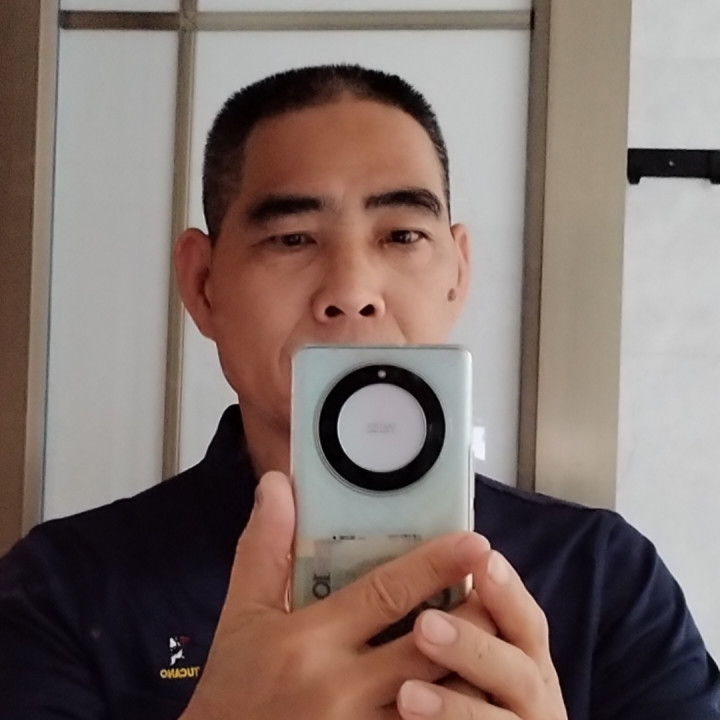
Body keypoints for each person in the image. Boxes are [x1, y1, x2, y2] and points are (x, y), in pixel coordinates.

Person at [0, 64, 717, 720]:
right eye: (292, 238)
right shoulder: (63, 589)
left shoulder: (602, 577)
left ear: (457, 273)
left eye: (402, 235)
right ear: (203, 283)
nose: (351, 290)